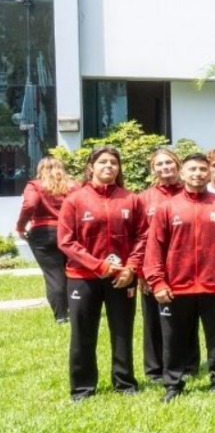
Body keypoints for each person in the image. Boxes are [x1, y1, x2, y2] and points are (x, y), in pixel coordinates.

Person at [144, 154, 215, 401]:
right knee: (173, 339)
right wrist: (157, 281)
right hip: (177, 287)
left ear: (209, 173)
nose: (198, 173)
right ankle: (173, 384)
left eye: (203, 169)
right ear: (182, 173)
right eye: (193, 169)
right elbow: (154, 247)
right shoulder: (167, 208)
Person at [57, 147, 146, 401]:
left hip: (122, 277)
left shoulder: (131, 199)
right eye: (103, 162)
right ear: (91, 167)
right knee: (83, 333)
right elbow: (66, 241)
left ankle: (125, 383)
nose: (109, 166)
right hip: (82, 277)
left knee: (122, 331)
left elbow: (142, 236)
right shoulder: (74, 200)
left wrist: (131, 268)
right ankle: (83, 388)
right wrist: (99, 265)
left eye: (114, 163)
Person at [138, 147, 184, 386]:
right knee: (154, 320)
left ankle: (187, 364)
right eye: (160, 164)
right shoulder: (144, 198)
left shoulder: (190, 193)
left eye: (169, 163)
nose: (165, 168)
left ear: (178, 165)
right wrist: (142, 273)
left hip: (184, 268)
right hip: (152, 267)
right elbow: (137, 237)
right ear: (153, 169)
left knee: (185, 318)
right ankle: (155, 368)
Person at [16, 156, 75, 324]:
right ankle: (77, 309)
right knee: (72, 273)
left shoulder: (34, 185)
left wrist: (20, 226)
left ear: (40, 169)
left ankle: (61, 316)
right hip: (69, 232)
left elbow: (30, 205)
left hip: (43, 233)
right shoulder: (73, 186)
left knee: (53, 275)